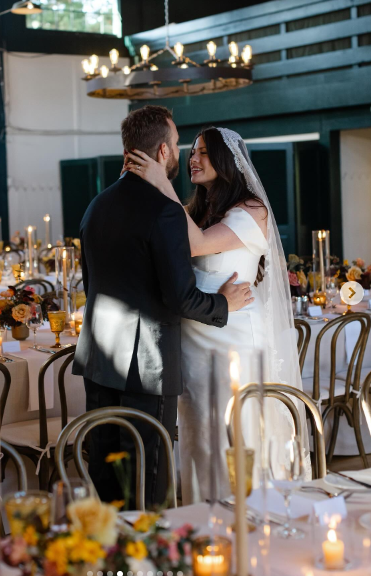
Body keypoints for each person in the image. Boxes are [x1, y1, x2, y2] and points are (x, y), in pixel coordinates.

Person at [72, 107, 253, 508]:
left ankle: (109, 561)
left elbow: (92, 284)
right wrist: (224, 303)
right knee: (146, 480)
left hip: (99, 361)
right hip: (146, 365)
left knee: (106, 477)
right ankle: (146, 565)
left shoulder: (95, 206)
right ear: (164, 152)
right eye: (176, 145)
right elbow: (180, 297)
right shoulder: (165, 211)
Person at [125, 126, 311, 504]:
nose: (193, 159)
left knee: (236, 426)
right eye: (191, 152)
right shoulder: (200, 209)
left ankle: (252, 512)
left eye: (203, 153)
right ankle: (203, 513)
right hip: (194, 335)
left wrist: (162, 181)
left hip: (234, 335)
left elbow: (198, 244)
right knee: (200, 429)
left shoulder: (252, 209)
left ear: (226, 161)